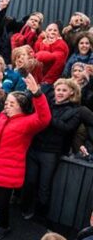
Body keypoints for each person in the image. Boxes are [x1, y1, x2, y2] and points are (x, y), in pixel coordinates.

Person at [0, 73, 51, 240]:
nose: (7, 105)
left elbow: (44, 118)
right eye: (7, 102)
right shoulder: (1, 117)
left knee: (3, 202)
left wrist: (37, 94)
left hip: (8, 171)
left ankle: (5, 226)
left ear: (21, 106)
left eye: (11, 103)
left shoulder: (28, 122)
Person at [22, 78, 82, 220]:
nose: (60, 92)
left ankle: (40, 217)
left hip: (51, 153)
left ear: (71, 92)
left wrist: (47, 118)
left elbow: (67, 129)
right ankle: (25, 209)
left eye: (64, 90)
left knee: (44, 187)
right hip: (35, 148)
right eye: (58, 89)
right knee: (29, 182)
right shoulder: (47, 104)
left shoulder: (75, 111)